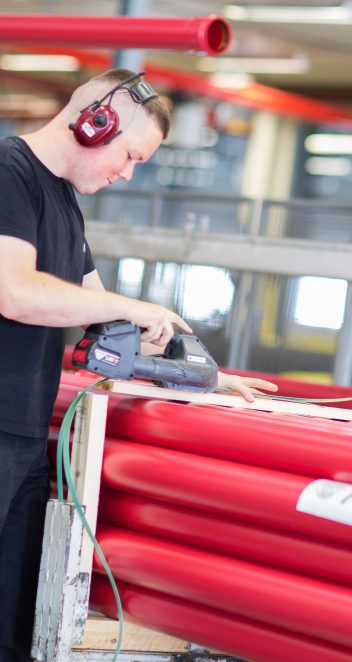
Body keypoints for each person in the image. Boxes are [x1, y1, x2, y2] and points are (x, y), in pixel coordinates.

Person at [0, 68, 277, 661]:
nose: (126, 173)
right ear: (93, 124)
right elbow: (15, 291)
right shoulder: (9, 173)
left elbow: (109, 327)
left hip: (20, 440)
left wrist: (208, 377)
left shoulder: (64, 204)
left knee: (14, 623)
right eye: (129, 155)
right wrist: (131, 303)